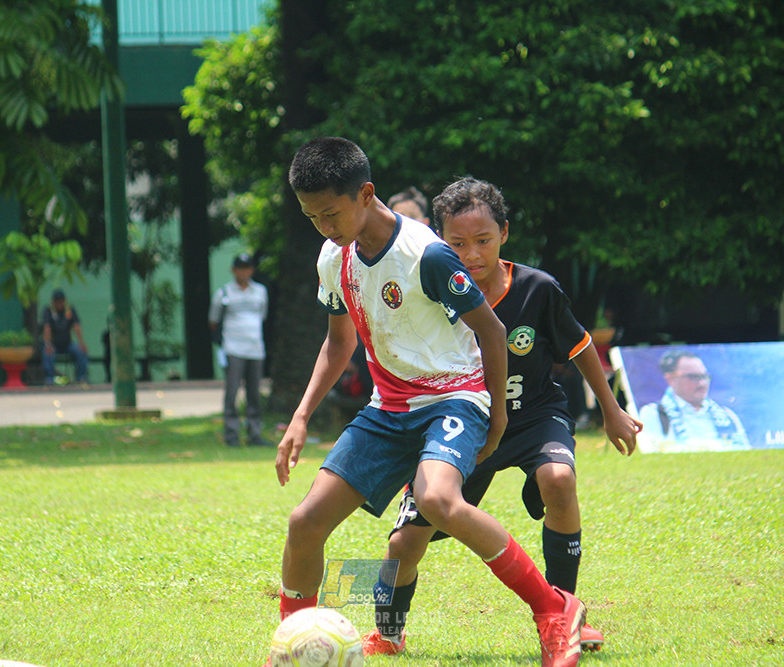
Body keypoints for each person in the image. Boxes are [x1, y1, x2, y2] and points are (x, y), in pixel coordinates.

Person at [272, 137, 586, 667]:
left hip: (454, 400)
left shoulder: (428, 254)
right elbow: (339, 341)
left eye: (330, 212)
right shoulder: (333, 257)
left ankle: (555, 609)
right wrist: (300, 417)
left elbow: (490, 330)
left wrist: (497, 415)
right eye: (311, 217)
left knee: (440, 501)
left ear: (365, 194)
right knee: (306, 522)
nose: (323, 226)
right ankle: (291, 645)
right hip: (388, 408)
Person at [363, 177, 642, 658]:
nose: (471, 254)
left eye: (483, 240)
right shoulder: (426, 291)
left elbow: (579, 347)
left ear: (505, 234)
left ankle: (563, 611)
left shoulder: (537, 288)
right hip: (460, 425)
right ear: (438, 241)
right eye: (457, 243)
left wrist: (613, 410)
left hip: (532, 416)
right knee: (404, 545)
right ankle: (387, 633)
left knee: (558, 479)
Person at [209, 252, 270, 447]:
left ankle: (254, 433)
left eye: (247, 268)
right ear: (233, 270)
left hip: (255, 348)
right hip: (233, 348)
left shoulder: (260, 291)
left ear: (251, 270)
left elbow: (263, 315)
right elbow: (213, 321)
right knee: (232, 391)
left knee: (254, 392)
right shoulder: (224, 293)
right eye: (240, 268)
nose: (244, 272)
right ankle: (231, 434)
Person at [637, 350, 750, 453]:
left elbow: (745, 452)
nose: (702, 383)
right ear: (671, 379)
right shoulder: (654, 414)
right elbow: (653, 452)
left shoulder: (727, 415)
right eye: (692, 377)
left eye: (704, 376)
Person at [41, 289, 89, 386]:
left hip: (67, 344)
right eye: (57, 301)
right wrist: (48, 344)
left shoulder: (69, 310)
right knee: (47, 353)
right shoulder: (48, 311)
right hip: (54, 344)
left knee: (81, 352)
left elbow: (76, 326)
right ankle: (49, 378)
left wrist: (81, 342)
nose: (59, 303)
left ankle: (81, 377)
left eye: (61, 300)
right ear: (53, 301)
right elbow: (47, 328)